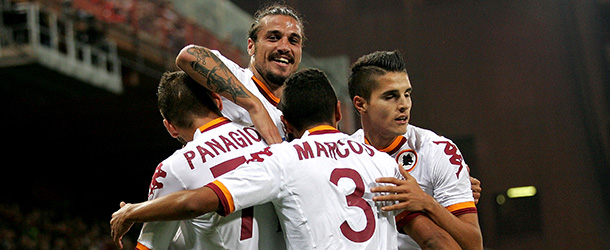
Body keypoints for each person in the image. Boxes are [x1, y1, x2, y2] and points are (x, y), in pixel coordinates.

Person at [111, 69, 465, 249]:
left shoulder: (281, 158)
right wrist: (433, 206)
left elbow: (197, 201)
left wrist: (132, 210)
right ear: (340, 111)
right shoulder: (381, 162)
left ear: (286, 123)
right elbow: (434, 241)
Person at [347, 51, 483, 249]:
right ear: (361, 104)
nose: (404, 105)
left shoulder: (437, 150)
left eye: (407, 94)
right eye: (391, 96)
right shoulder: (347, 153)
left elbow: (474, 244)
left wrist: (427, 202)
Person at [134, 71, 284, 249]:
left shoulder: (174, 167)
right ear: (218, 100)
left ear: (170, 127)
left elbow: (150, 246)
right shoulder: (269, 136)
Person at [175, 3, 305, 144]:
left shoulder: (283, 121)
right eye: (273, 38)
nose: (284, 47)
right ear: (251, 46)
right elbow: (188, 55)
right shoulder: (238, 78)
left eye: (293, 41)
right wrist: (255, 106)